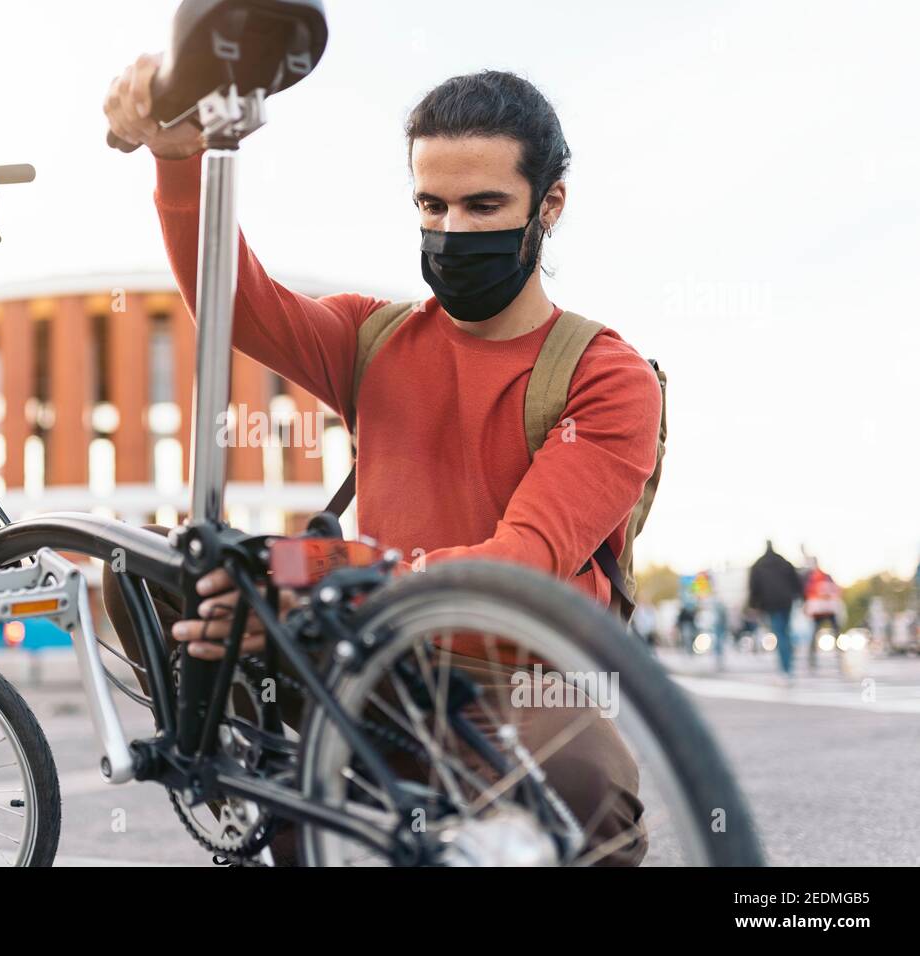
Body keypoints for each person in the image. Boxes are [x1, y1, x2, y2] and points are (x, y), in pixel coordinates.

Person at [103, 58, 663, 865]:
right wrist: (179, 156)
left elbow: (521, 567)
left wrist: (321, 581)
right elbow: (237, 301)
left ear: (550, 205)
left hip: (510, 677)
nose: (453, 230)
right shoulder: (374, 338)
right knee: (152, 564)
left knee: (584, 795)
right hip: (371, 655)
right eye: (431, 205)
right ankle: (257, 788)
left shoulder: (606, 375)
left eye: (484, 205)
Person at [747, 541, 802, 681]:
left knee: (781, 635)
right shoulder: (784, 562)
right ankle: (789, 666)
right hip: (786, 602)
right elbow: (796, 581)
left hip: (771, 604)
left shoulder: (759, 564)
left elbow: (754, 587)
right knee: (786, 633)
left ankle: (785, 669)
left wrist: (754, 605)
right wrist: (799, 597)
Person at [801, 558, 842, 670]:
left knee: (833, 633)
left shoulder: (818, 577)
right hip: (819, 611)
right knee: (817, 634)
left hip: (825, 609)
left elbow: (835, 590)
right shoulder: (811, 577)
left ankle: (839, 657)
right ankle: (812, 660)